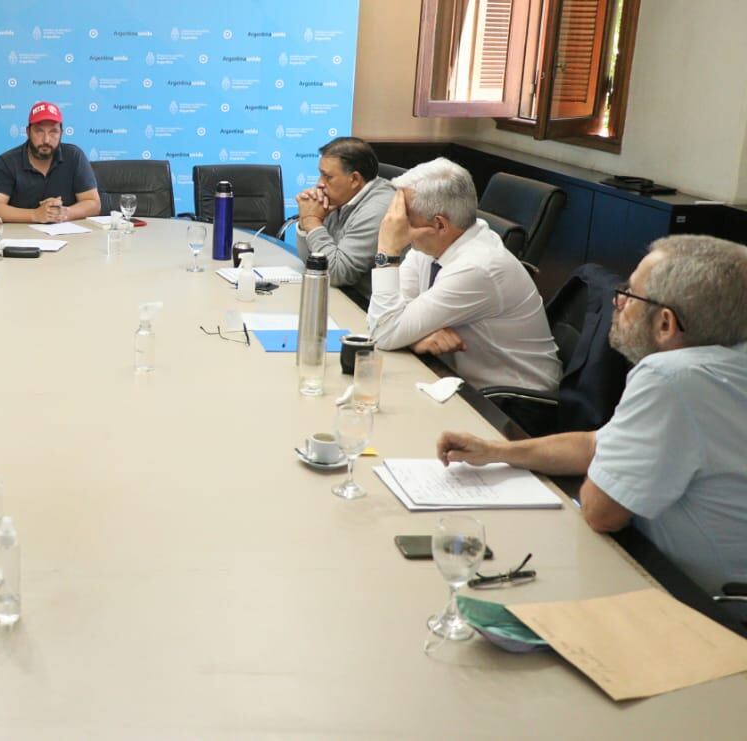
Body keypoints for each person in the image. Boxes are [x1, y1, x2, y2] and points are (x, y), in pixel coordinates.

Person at [438, 235, 747, 604]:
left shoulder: (673, 377)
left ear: (666, 324)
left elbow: (602, 512)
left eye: (631, 293)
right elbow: (595, 443)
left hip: (695, 599)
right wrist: (497, 451)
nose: (617, 301)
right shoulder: (724, 360)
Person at [366, 158, 560, 391]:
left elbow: (383, 332)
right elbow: (387, 320)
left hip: (513, 401)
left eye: (404, 217)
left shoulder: (478, 267)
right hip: (458, 380)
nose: (394, 224)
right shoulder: (435, 244)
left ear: (439, 224)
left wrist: (387, 250)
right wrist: (413, 337)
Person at [293, 137, 396, 299]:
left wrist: (312, 222)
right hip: (344, 293)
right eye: (320, 175)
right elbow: (312, 262)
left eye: (328, 177)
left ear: (354, 179)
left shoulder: (378, 209)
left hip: (366, 306)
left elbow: (336, 273)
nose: (320, 184)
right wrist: (304, 222)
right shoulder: (342, 195)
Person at [0, 101, 101, 223]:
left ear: (61, 133)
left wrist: (63, 213)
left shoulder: (74, 156)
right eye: (39, 131)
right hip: (20, 238)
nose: (46, 140)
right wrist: (35, 215)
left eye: (53, 131)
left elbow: (93, 204)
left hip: (67, 237)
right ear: (28, 132)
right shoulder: (7, 161)